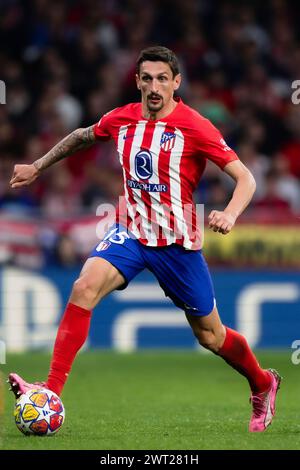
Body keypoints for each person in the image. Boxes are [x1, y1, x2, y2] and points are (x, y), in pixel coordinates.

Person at [8, 46, 281, 432]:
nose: (155, 86)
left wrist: (230, 213)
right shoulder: (122, 118)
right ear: (137, 81)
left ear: (176, 83)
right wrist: (37, 166)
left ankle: (263, 382)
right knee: (84, 287)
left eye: (163, 79)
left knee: (211, 336)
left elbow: (246, 178)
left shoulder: (195, 126)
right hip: (131, 232)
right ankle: (51, 391)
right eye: (147, 78)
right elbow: (82, 136)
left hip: (177, 245)